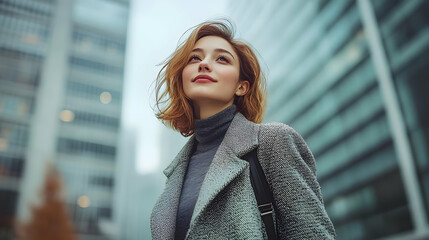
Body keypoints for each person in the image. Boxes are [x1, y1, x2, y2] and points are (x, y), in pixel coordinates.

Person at [150, 20, 336, 240]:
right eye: (194, 58)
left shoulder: (272, 142)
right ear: (182, 79)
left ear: (241, 86)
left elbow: (312, 234)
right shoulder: (176, 171)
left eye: (222, 59)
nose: (204, 64)